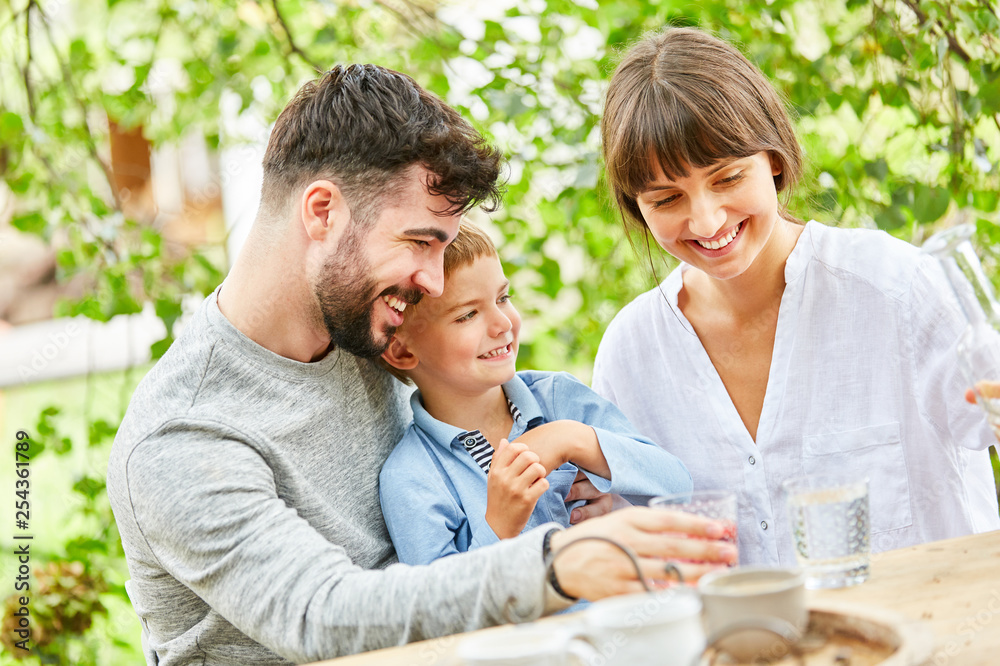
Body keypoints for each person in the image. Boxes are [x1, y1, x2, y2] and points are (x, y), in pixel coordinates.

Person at [107, 63, 736, 666]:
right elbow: (320, 616)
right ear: (322, 211)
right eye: (419, 243)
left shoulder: (370, 336)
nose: (434, 283)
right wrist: (554, 564)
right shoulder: (184, 434)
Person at [592, 27, 1000, 567]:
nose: (707, 220)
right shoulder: (632, 353)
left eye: (728, 178)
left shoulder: (896, 288)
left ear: (775, 160)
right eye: (667, 198)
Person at [378, 221, 693, 568]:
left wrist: (572, 438)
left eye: (503, 298)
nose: (502, 323)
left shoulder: (559, 398)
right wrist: (498, 526)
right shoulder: (411, 478)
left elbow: (678, 488)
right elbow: (438, 611)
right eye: (468, 314)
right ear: (403, 352)